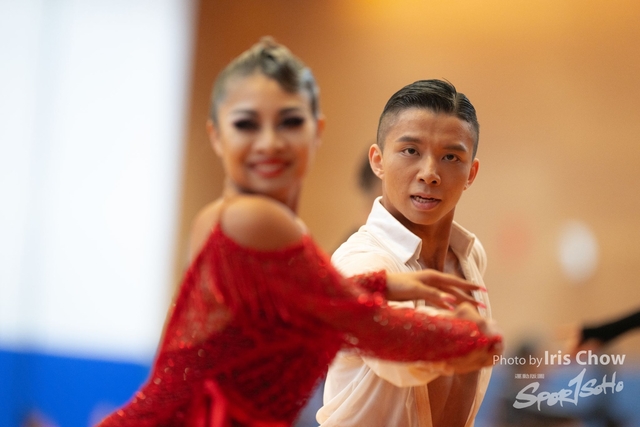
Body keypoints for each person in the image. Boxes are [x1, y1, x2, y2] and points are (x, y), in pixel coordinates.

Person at [96, 40, 502, 427]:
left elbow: (309, 310)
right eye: (246, 124)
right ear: (216, 135)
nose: (270, 143)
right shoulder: (257, 220)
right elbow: (375, 331)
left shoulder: (225, 218)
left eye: (290, 122)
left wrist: (381, 287)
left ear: (316, 132)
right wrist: (471, 337)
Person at [318, 79, 495, 427]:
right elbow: (395, 351)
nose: (429, 174)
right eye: (411, 151)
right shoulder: (362, 260)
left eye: (450, 157)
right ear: (378, 161)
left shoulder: (470, 256)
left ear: (471, 173)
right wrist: (458, 336)